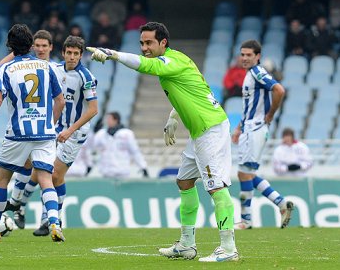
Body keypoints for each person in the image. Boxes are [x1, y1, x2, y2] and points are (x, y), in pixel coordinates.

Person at [87, 21, 239, 262]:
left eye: (149, 43)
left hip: (211, 129)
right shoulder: (177, 61)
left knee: (216, 187)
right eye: (142, 43)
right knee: (184, 181)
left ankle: (228, 248)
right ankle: (187, 244)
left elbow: (145, 66)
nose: (144, 47)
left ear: (163, 43)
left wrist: (113, 54)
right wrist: (173, 116)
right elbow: (196, 90)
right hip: (198, 131)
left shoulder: (170, 61)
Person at [0, 24, 65, 242]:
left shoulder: (6, 69)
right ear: (31, 45)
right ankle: (54, 221)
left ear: (10, 47)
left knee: (1, 179)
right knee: (45, 179)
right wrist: (50, 124)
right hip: (45, 134)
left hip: (18, 134)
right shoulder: (47, 67)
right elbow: (60, 101)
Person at [4, 35, 98, 236]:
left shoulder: (86, 77)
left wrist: (70, 131)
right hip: (54, 129)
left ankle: (47, 217)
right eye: (69, 53)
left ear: (81, 55)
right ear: (63, 53)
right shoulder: (53, 70)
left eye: (76, 54)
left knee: (54, 175)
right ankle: (24, 208)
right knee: (33, 166)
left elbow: (93, 110)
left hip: (74, 133)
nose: (72, 57)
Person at [231, 40, 294, 230]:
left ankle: (246, 220)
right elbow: (251, 107)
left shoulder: (257, 72)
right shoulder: (250, 74)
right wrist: (239, 128)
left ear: (257, 56)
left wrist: (270, 114)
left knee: (243, 173)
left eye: (249, 55)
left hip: (255, 129)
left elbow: (279, 90)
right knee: (249, 173)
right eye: (242, 54)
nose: (244, 58)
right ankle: (281, 203)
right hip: (250, 128)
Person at [93, 112, 148, 178]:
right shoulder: (102, 134)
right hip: (107, 172)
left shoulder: (127, 134)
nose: (107, 121)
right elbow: (94, 145)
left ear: (115, 120)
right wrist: (95, 132)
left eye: (109, 119)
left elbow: (135, 151)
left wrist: (143, 166)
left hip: (122, 172)